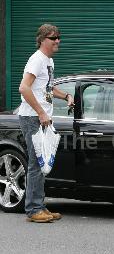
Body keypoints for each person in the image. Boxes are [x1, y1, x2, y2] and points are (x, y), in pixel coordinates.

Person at [18, 24, 74, 223]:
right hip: (32, 118)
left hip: (41, 118)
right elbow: (24, 88)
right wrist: (41, 112)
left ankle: (39, 205)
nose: (57, 40)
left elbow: (47, 89)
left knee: (43, 164)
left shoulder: (48, 60)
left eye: (59, 37)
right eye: (53, 38)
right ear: (42, 40)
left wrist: (66, 95)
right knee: (36, 164)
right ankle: (33, 210)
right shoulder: (37, 60)